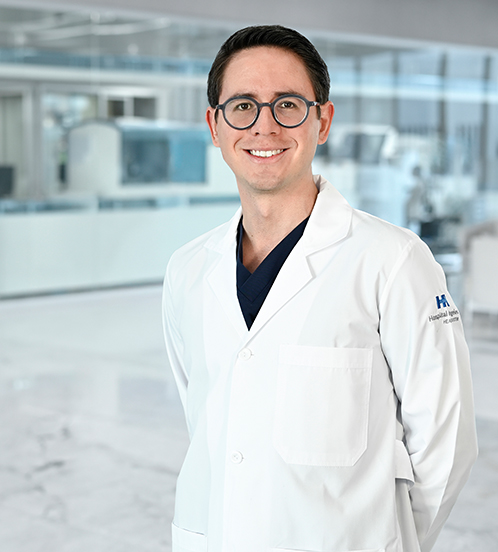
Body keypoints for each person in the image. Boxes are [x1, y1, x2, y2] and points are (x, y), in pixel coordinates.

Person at [162, 25, 477, 552]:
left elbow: (446, 443)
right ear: (215, 126)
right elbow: (207, 421)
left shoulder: (394, 261)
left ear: (322, 121)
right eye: (243, 106)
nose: (264, 126)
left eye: (287, 104)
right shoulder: (188, 270)